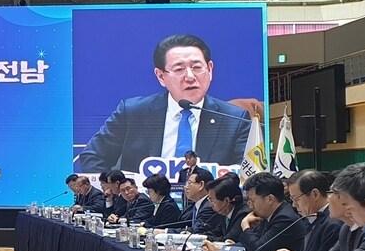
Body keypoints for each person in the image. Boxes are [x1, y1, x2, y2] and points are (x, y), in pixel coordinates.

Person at [75, 34, 253, 173]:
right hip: (145, 205)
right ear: (161, 76)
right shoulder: (133, 112)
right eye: (179, 69)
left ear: (210, 69)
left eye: (197, 67)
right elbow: (92, 157)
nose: (190, 76)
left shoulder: (235, 119)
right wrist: (118, 193)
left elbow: (246, 174)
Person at [236, 172, 305, 251]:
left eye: (252, 201)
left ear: (270, 199)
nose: (250, 206)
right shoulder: (268, 215)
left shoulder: (285, 219)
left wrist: (245, 226)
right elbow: (249, 243)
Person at [282, 170, 341, 251]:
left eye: (296, 199)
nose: (294, 205)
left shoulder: (334, 223)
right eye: (292, 199)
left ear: (315, 194)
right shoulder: (311, 217)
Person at [205, 176, 248, 241]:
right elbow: (215, 232)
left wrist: (205, 239)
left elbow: (229, 239)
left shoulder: (243, 214)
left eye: (212, 200)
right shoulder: (224, 212)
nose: (210, 205)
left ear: (226, 201)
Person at [180, 167, 217, 232]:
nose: (185, 187)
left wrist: (166, 231)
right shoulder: (195, 205)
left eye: (189, 183)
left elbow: (197, 230)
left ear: (201, 185)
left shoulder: (209, 206)